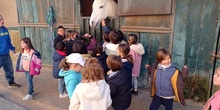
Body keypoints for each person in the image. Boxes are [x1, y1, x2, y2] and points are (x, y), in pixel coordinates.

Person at [0, 15, 20, 88]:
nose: (2, 21)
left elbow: (8, 41)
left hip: (6, 54)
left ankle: (11, 82)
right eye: (0, 20)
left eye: (2, 19)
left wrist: (12, 48)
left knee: (9, 69)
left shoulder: (5, 29)